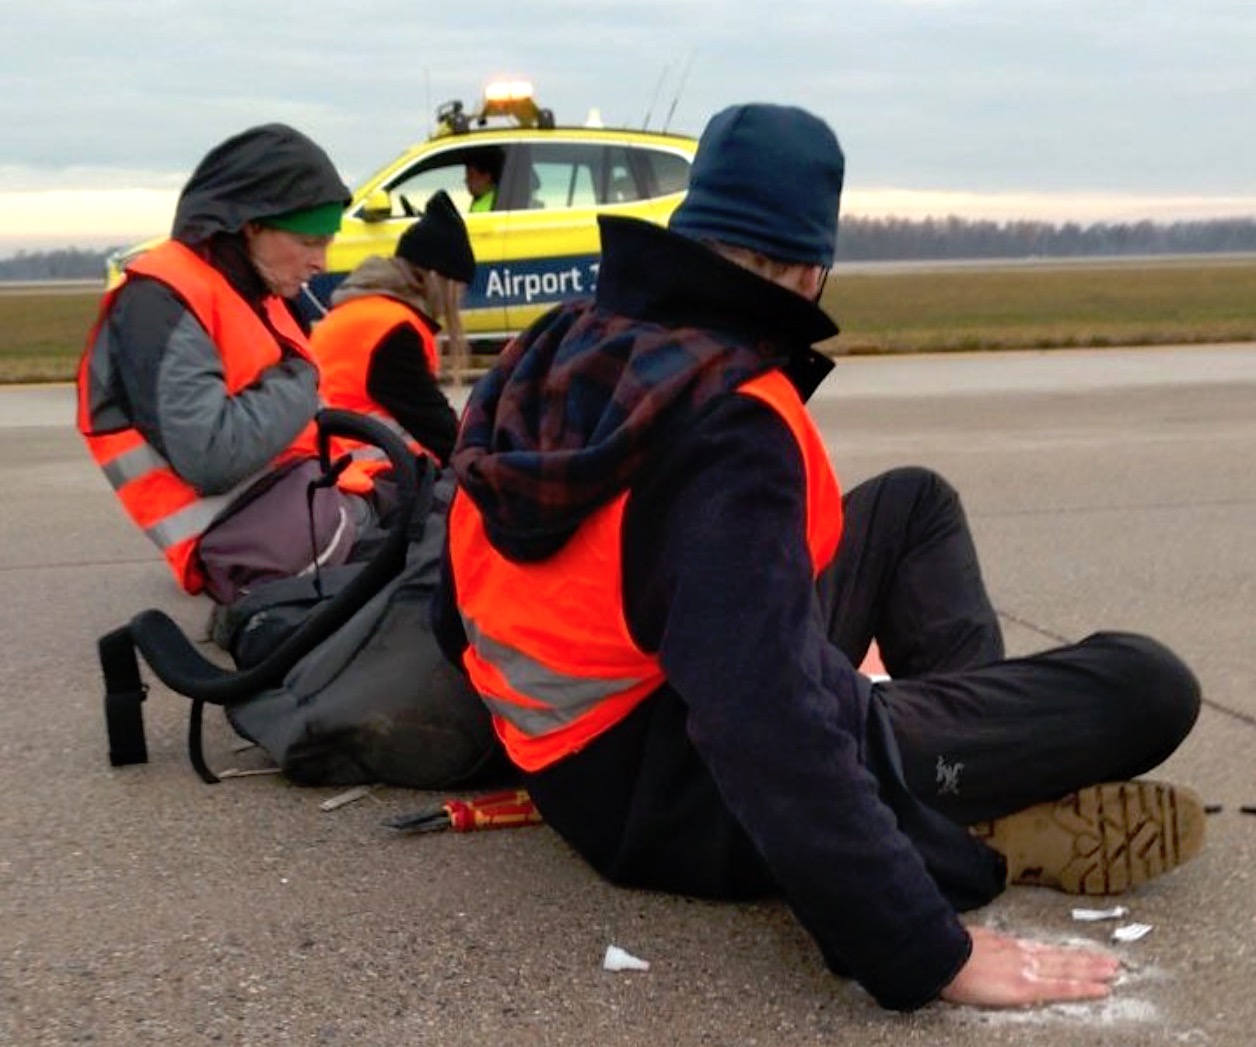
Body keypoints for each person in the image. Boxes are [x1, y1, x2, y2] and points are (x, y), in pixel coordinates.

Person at [433, 103, 1205, 1013]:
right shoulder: (731, 424)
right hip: (673, 792)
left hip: (577, 740)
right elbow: (760, 724)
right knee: (1149, 685)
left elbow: (454, 611)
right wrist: (922, 948)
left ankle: (949, 772)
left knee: (911, 502)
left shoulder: (554, 344)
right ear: (809, 272)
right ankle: (956, 798)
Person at [77, 123, 374, 604]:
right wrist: (301, 380)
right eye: (309, 242)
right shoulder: (160, 302)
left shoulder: (258, 290)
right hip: (256, 541)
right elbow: (210, 455)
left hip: (308, 500)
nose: (320, 262)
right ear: (250, 225)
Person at [309, 189, 475, 500]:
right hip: (359, 468)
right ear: (439, 280)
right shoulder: (394, 332)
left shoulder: (364, 308)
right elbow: (438, 429)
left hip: (326, 453)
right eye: (458, 291)